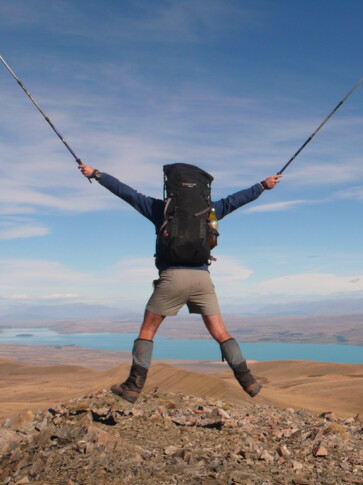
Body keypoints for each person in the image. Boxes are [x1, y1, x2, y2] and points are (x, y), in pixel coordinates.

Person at [78, 163, 281, 403]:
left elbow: (126, 192)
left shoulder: (161, 208)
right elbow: (236, 200)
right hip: (202, 279)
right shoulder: (211, 209)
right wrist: (262, 186)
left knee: (148, 330)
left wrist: (97, 174)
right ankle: (248, 381)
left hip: (172, 277)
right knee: (220, 332)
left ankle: (133, 386)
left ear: (171, 187)